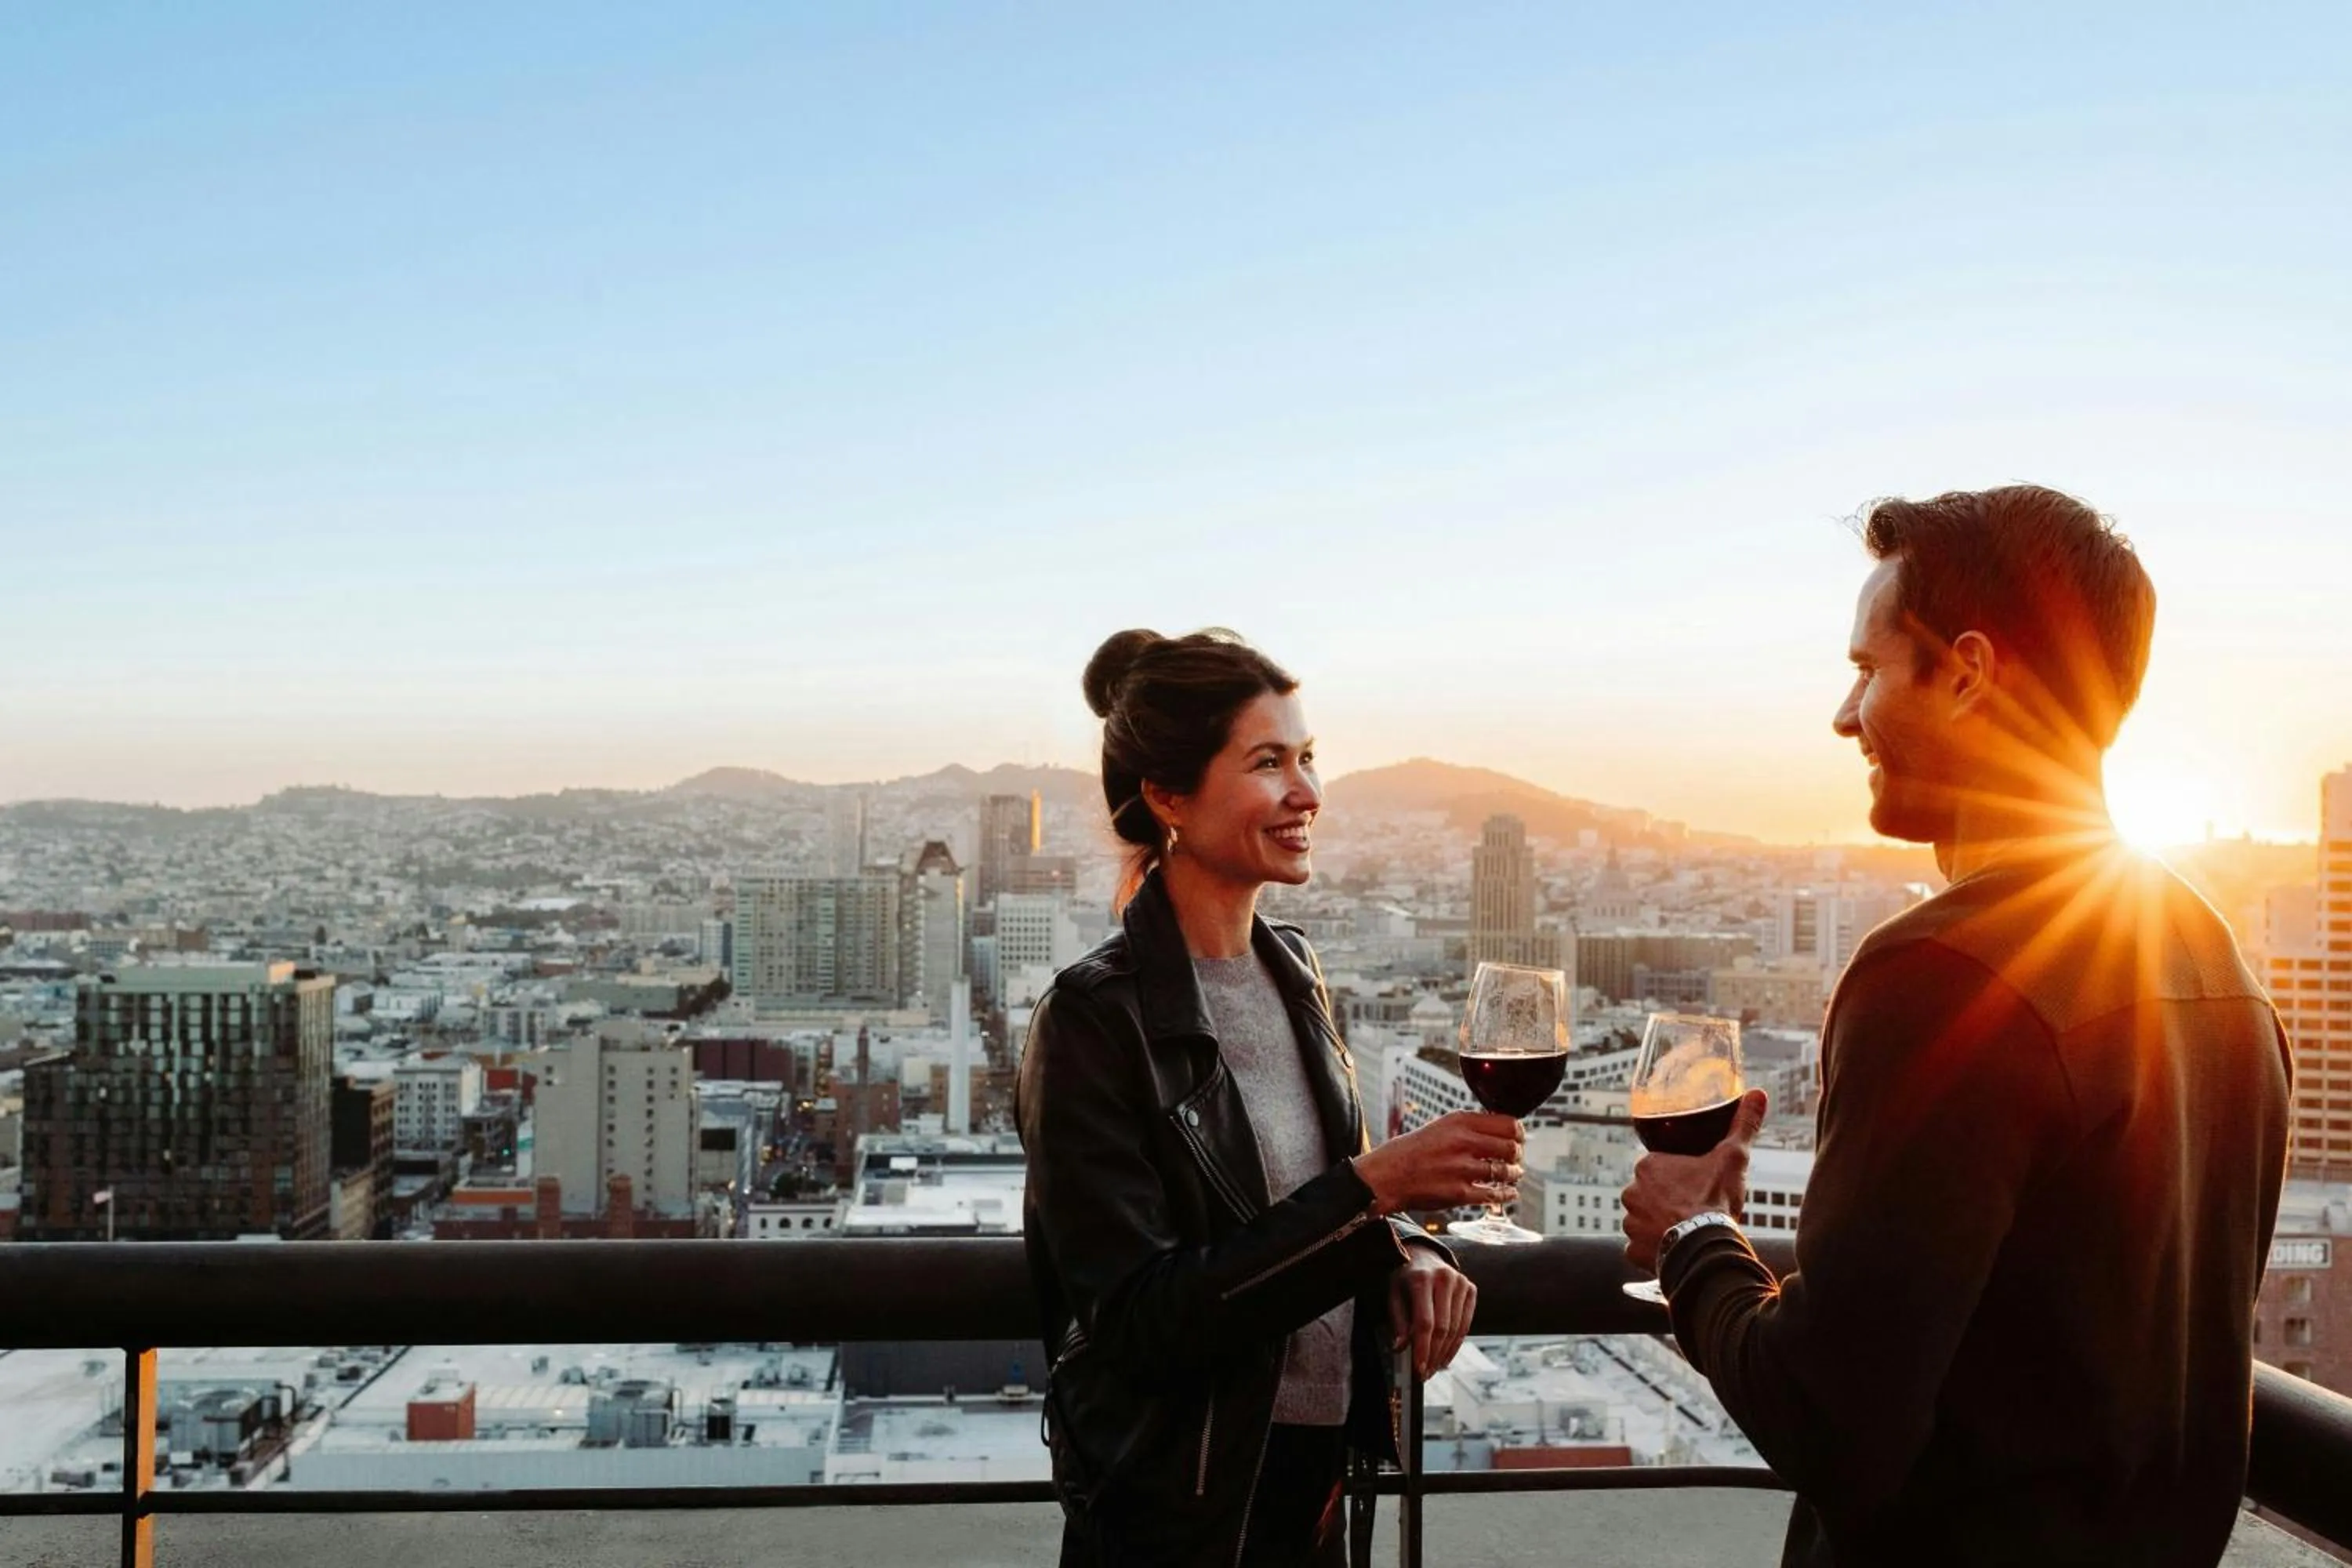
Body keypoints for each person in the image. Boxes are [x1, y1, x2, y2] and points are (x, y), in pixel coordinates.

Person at [1621, 485, 2293, 1566]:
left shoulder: (1941, 970)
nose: (1845, 717)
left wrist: (1692, 1239)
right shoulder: (2219, 963)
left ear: (1969, 673)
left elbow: (1833, 1423)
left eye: (1868, 671)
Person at [1019, 628, 1523, 1568]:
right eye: (1268, 762)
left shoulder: (1294, 971)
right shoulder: (1093, 1020)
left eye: (1308, 758)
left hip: (1318, 1495)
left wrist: (1403, 1249)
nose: (1309, 793)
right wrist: (1378, 1192)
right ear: (1169, 797)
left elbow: (1314, 1197)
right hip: (1181, 1518)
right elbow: (1139, 1318)